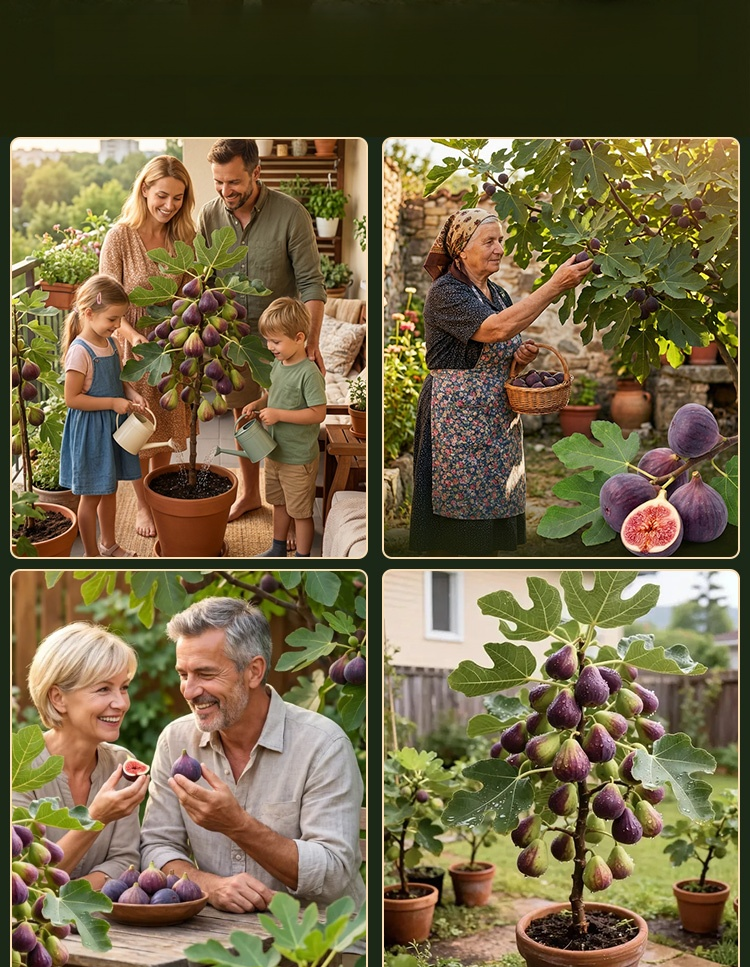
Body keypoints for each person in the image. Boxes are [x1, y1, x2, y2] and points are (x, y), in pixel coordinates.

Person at [139, 597, 365, 914]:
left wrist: (237, 825)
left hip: (321, 938)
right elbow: (157, 847)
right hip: (217, 934)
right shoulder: (175, 740)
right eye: (183, 674)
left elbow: (333, 873)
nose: (189, 691)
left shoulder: (323, 745)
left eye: (205, 673)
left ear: (254, 671)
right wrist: (209, 885)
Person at [409, 208, 593, 556]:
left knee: (495, 496)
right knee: (460, 509)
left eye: (501, 241)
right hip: (456, 416)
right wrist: (554, 285)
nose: (499, 249)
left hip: (497, 414)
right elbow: (496, 329)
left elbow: (502, 340)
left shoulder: (498, 293)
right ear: (462, 248)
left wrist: (517, 358)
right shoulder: (446, 292)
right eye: (489, 241)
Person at [198, 138, 327, 530]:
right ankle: (251, 493)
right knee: (245, 416)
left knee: (284, 421)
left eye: (233, 182)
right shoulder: (209, 215)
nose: (225, 192)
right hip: (233, 339)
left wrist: (312, 343)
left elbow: (311, 285)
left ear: (257, 172)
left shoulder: (291, 215)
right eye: (218, 182)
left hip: (282, 342)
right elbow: (203, 281)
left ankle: (289, 507)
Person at [99, 155, 197, 539]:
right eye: (162, 196)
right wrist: (131, 334)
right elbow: (106, 300)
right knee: (139, 431)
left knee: (168, 425)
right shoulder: (119, 237)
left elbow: (192, 292)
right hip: (134, 350)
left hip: (173, 346)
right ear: (144, 190)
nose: (169, 206)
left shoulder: (184, 236)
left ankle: (157, 497)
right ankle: (143, 505)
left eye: (178, 198)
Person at [13, 622, 149, 890]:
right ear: (58, 698)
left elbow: (125, 861)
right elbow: (24, 885)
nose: (121, 703)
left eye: (124, 687)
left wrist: (70, 899)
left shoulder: (120, 764)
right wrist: (97, 816)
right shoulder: (16, 768)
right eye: (103, 689)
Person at [59, 274, 147, 557]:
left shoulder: (108, 342)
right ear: (88, 313)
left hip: (111, 425)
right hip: (91, 432)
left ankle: (109, 545)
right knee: (91, 495)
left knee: (109, 490)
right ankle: (90, 555)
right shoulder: (79, 352)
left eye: (120, 319)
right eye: (112, 319)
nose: (116, 325)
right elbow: (72, 399)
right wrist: (112, 403)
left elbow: (118, 377)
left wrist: (131, 393)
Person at [240, 297, 327, 558]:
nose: (270, 347)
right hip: (275, 452)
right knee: (278, 503)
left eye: (276, 342)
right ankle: (277, 549)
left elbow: (318, 413)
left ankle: (302, 557)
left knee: (300, 513)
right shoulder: (278, 365)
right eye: (268, 340)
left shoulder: (308, 373)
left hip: (298, 457)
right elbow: (273, 395)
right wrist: (258, 403)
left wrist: (279, 415)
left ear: (299, 338)